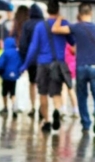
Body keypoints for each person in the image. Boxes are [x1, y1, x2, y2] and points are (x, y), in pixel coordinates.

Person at [20, 1, 75, 133]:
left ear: (47, 11)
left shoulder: (40, 26)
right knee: (56, 93)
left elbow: (33, 47)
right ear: (58, 10)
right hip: (58, 63)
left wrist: (25, 65)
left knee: (42, 94)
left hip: (43, 64)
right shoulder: (63, 24)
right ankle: (57, 110)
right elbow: (72, 42)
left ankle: (47, 121)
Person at [52, 3, 95, 134]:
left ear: (79, 14)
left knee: (82, 96)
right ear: (91, 13)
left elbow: (55, 29)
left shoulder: (76, 27)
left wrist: (59, 17)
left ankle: (86, 124)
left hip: (81, 66)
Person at [20, 4, 45, 119]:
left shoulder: (27, 24)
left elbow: (23, 43)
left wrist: (24, 59)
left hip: (31, 59)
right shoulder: (44, 24)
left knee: (32, 83)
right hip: (44, 59)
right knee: (42, 84)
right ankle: (42, 107)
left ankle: (33, 107)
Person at [0, 38, 22, 118]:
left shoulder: (5, 53)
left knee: (4, 92)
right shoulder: (17, 53)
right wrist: (18, 72)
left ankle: (5, 107)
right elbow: (20, 63)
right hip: (14, 76)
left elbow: (0, 64)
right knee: (13, 92)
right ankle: (14, 106)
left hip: (5, 76)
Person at [63, 43, 79, 118]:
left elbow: (74, 50)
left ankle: (64, 109)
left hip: (68, 67)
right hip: (71, 67)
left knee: (65, 89)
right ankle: (75, 109)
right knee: (70, 89)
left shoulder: (68, 41)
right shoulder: (71, 40)